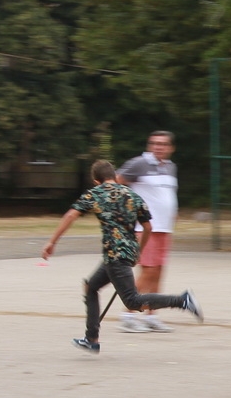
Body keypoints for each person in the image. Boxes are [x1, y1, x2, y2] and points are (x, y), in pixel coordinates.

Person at [41, 160, 202, 354]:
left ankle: (182, 301)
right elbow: (148, 227)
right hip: (123, 254)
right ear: (114, 176)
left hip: (115, 255)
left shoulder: (95, 193)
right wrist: (138, 251)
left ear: (96, 180)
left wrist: (52, 242)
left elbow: (70, 215)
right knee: (91, 287)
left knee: (132, 301)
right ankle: (91, 339)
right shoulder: (132, 195)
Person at [117, 131, 181, 332]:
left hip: (164, 228)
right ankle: (128, 314)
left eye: (163, 144)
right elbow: (115, 182)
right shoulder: (139, 164)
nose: (158, 147)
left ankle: (152, 315)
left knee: (159, 271)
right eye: (154, 143)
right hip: (145, 228)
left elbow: (166, 194)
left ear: (171, 148)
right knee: (148, 271)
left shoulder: (170, 167)